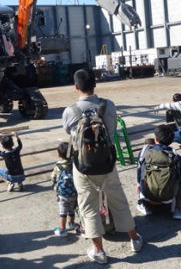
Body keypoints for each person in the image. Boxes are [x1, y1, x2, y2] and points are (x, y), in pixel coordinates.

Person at [62, 69, 143, 264]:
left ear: (76, 86)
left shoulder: (70, 111)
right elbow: (112, 129)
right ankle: (134, 239)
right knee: (119, 200)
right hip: (107, 163)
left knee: (88, 206)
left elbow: (68, 132)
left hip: (83, 167)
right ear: (95, 84)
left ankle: (99, 250)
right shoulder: (109, 105)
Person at [136, 126, 181, 220]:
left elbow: (138, 176)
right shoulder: (175, 156)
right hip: (168, 200)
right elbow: (178, 177)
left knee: (141, 178)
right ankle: (178, 208)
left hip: (148, 198)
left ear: (156, 139)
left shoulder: (144, 153)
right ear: (171, 141)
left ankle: (144, 205)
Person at [50, 142, 78, 237]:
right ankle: (71, 224)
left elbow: (53, 178)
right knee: (71, 210)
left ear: (59, 154)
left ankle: (62, 229)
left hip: (62, 194)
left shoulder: (58, 166)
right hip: (74, 192)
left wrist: (54, 186)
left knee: (63, 212)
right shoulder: (74, 163)